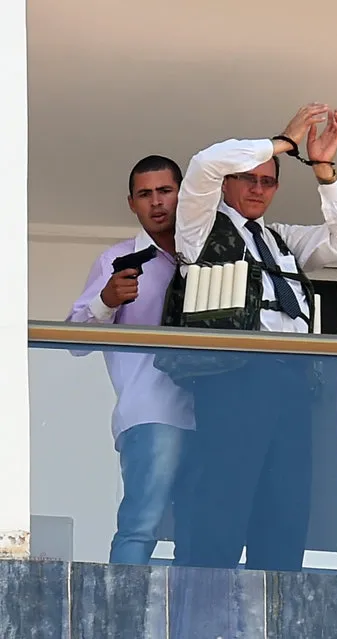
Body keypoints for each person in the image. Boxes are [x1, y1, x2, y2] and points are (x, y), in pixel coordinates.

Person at [165, 103, 337, 572]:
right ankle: (205, 602)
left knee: (287, 503)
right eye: (248, 179)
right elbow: (203, 164)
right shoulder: (198, 226)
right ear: (228, 184)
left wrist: (323, 171)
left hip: (293, 381)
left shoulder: (281, 240)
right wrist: (284, 143)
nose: (258, 189)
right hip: (235, 375)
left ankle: (276, 607)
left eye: (268, 180)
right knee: (225, 499)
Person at [66, 155, 195, 565]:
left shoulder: (210, 256)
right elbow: (74, 339)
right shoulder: (118, 261)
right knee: (142, 525)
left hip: (215, 413)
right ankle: (121, 620)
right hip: (153, 412)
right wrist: (106, 301)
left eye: (165, 191)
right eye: (145, 194)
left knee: (204, 534)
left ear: (182, 193)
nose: (157, 202)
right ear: (132, 204)